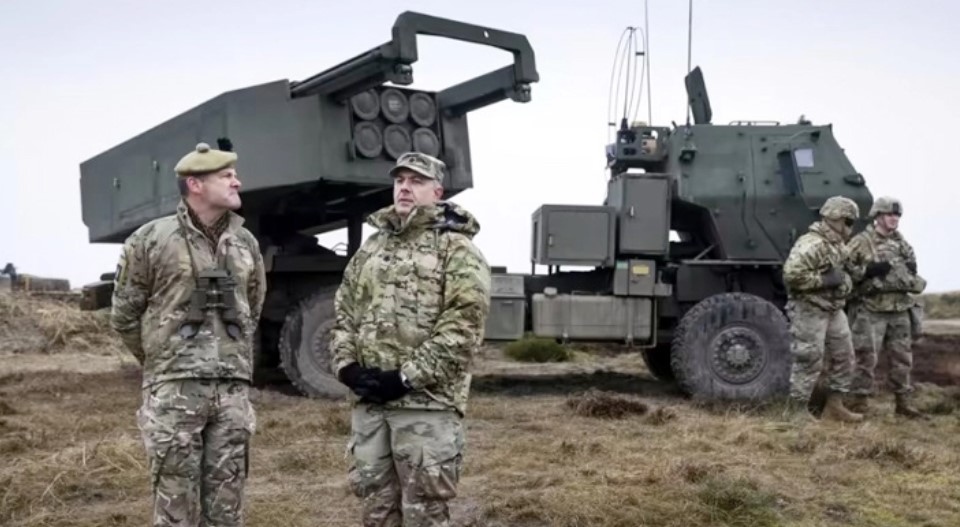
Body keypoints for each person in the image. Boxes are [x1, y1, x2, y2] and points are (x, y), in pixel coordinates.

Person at [330, 152, 492, 526]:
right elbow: (345, 310)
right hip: (370, 406)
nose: (405, 187)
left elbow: (463, 327)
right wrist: (348, 368)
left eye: (416, 181)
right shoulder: (372, 248)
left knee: (424, 512)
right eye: (400, 180)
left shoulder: (457, 249)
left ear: (437, 191)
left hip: (426, 407)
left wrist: (404, 378)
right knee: (375, 509)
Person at [110, 141, 266, 526]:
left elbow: (253, 305)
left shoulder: (245, 243)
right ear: (196, 185)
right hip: (173, 392)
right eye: (227, 176)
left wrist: (231, 357)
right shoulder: (150, 240)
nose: (237, 182)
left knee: (228, 507)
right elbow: (125, 314)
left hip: (231, 392)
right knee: (175, 509)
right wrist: (164, 361)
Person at [782, 195, 863, 422]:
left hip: (834, 309)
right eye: (848, 221)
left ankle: (834, 406)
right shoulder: (812, 244)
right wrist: (824, 280)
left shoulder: (836, 244)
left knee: (844, 356)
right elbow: (791, 275)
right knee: (809, 358)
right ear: (835, 219)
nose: (850, 227)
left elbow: (847, 270)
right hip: (810, 308)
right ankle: (797, 412)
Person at [845, 196, 927, 418]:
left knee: (902, 358)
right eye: (890, 214)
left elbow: (911, 270)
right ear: (878, 216)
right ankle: (858, 404)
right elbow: (845, 273)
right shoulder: (861, 242)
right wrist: (868, 270)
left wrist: (911, 271)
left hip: (899, 308)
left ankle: (904, 404)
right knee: (865, 358)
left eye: (897, 215)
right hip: (871, 309)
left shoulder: (902, 243)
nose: (894, 219)